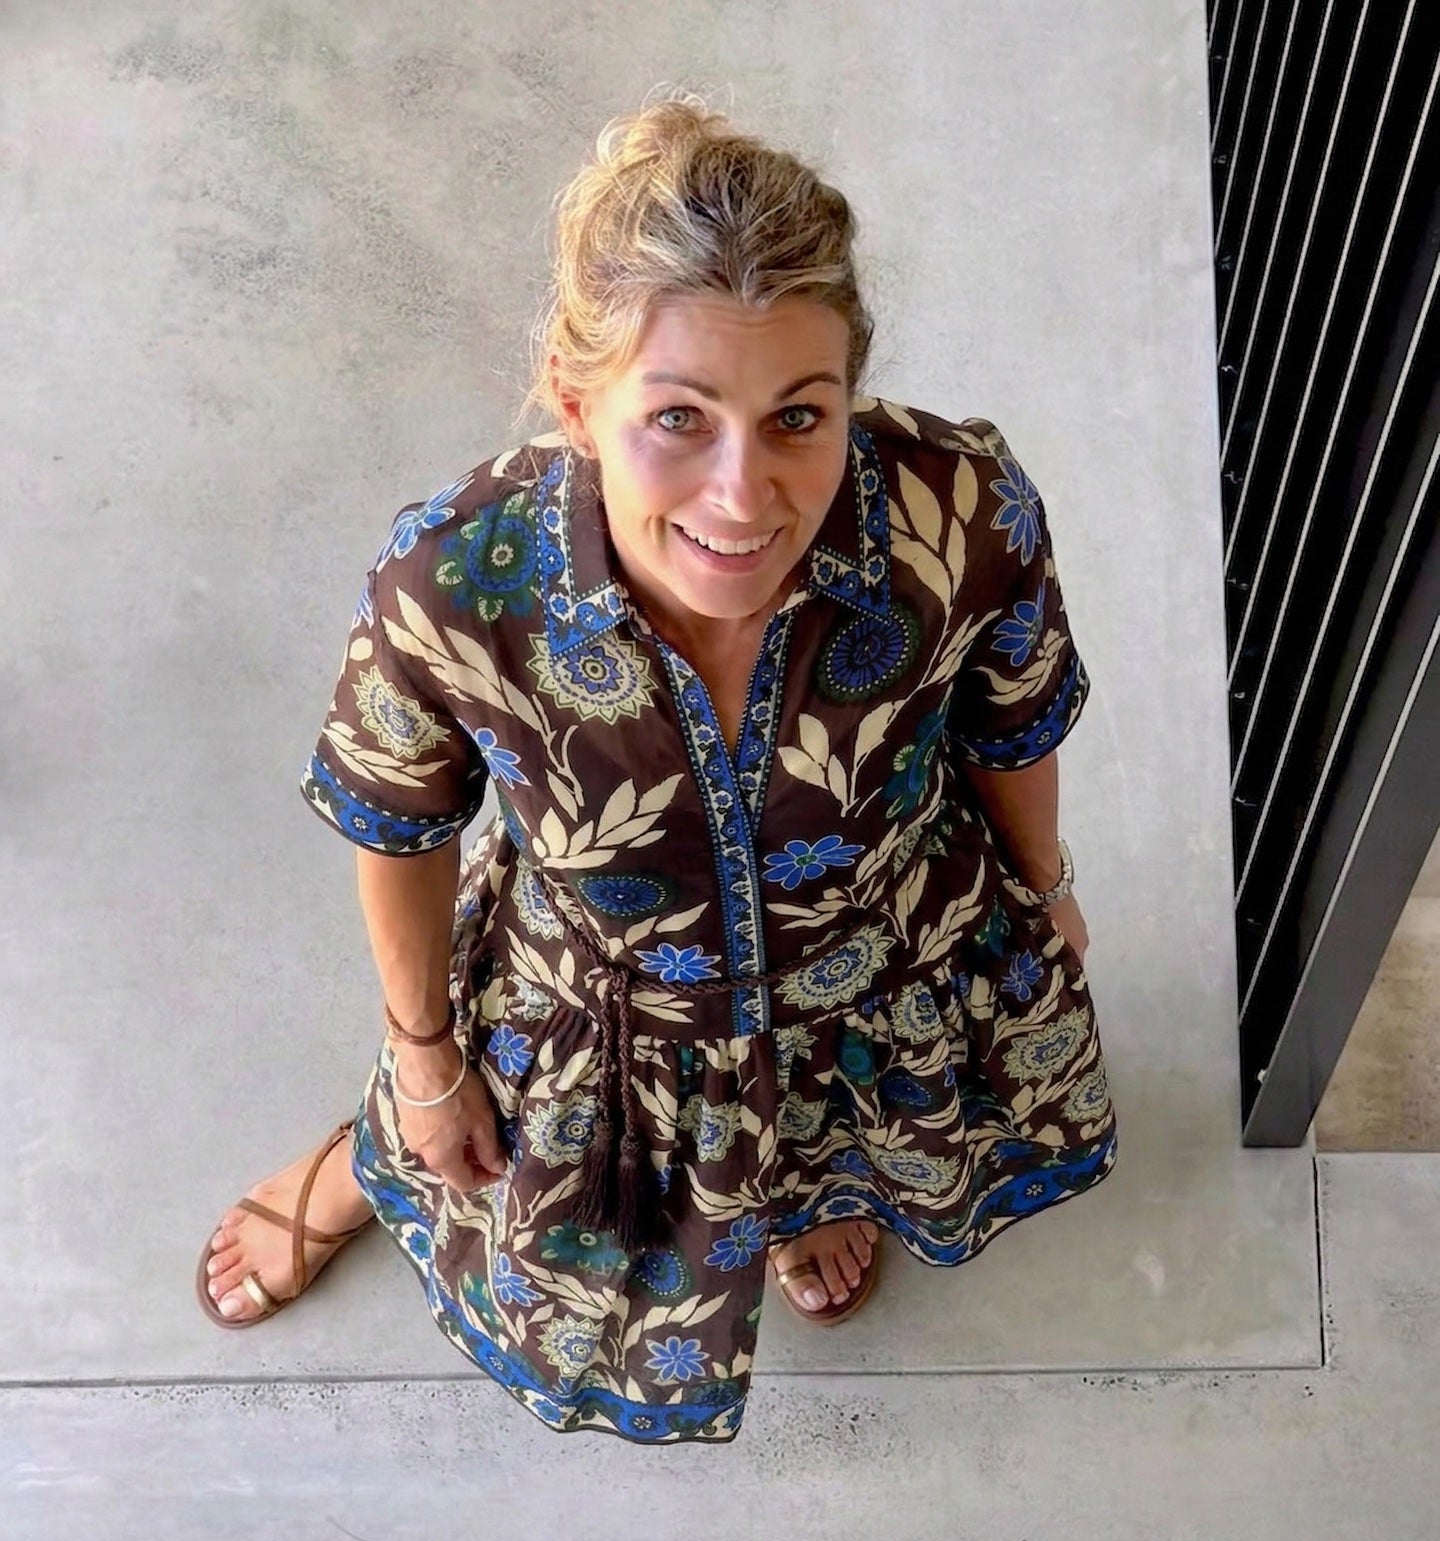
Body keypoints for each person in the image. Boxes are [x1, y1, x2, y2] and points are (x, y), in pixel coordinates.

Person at [197, 95, 1118, 1445]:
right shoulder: (456, 580)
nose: (743, 496)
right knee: (457, 1142)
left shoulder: (959, 511)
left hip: (875, 960)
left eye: (798, 417)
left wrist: (1044, 888)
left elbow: (1011, 722)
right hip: (601, 998)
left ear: (849, 396)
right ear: (579, 404)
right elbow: (399, 827)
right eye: (679, 417)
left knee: (829, 1132)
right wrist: (426, 1059)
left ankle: (804, 1200)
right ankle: (359, 1168)